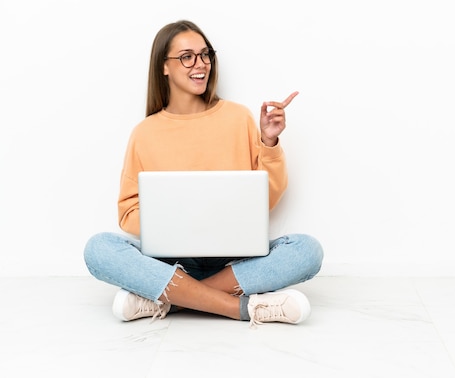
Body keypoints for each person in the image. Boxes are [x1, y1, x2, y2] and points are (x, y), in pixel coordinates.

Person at [83, 20, 324, 327]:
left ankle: (168, 300)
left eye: (205, 54)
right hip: (171, 263)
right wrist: (182, 220)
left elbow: (267, 199)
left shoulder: (238, 117)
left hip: (233, 262)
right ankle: (242, 307)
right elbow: (128, 212)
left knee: (306, 251)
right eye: (187, 56)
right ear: (164, 67)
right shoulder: (145, 133)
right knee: (99, 249)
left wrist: (268, 141)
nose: (200, 65)